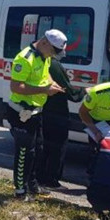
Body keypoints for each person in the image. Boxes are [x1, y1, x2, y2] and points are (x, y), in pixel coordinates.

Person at [6, 29, 67, 199]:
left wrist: (52, 84)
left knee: (38, 150)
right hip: (21, 111)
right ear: (44, 42)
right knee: (24, 152)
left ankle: (32, 184)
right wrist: (44, 90)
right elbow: (16, 87)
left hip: (36, 112)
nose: (54, 55)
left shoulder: (45, 56)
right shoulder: (25, 58)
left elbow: (45, 75)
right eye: (54, 50)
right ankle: (20, 190)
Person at [35, 51, 85, 188]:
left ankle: (40, 178)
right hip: (56, 112)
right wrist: (84, 91)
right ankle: (50, 180)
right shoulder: (54, 64)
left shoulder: (43, 61)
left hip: (43, 109)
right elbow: (69, 92)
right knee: (57, 147)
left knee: (44, 147)